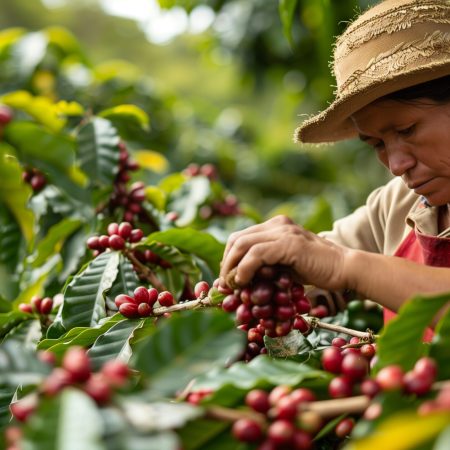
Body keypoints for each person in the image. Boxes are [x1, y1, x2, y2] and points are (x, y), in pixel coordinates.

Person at [219, 0, 450, 327]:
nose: (396, 165)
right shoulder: (397, 205)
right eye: (377, 144)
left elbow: (340, 262)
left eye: (407, 130)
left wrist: (348, 267)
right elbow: (316, 262)